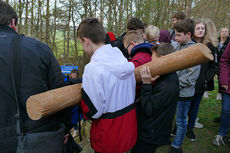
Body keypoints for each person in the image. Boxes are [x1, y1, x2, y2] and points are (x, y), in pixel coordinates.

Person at [0, 1, 70, 153]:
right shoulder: (39, 48)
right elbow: (59, 92)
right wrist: (65, 127)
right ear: (13, 23)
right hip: (38, 138)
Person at [77, 17, 137, 153]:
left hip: (108, 138)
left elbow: (93, 111)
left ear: (86, 41)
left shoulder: (93, 68)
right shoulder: (121, 57)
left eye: (81, 42)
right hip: (128, 131)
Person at [131, 43, 179, 153]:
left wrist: (147, 85)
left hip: (151, 134)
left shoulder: (167, 85)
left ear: (162, 59)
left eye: (152, 60)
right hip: (154, 131)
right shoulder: (169, 76)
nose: (150, 64)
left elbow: (148, 108)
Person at [169, 19, 200, 153]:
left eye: (178, 35)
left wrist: (173, 84)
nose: (175, 38)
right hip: (174, 91)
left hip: (184, 93)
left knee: (181, 121)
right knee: (173, 117)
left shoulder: (194, 51)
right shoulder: (178, 45)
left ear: (188, 34)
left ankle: (177, 146)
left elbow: (191, 77)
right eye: (175, 35)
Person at [186, 18, 218, 141]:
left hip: (200, 84)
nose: (200, 30)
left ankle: (190, 129)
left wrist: (206, 79)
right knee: (184, 107)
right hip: (187, 82)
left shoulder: (210, 46)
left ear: (205, 31)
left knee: (194, 107)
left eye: (202, 28)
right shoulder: (189, 45)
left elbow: (214, 65)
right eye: (198, 28)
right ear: (193, 30)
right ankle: (179, 127)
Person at [123, 30, 153, 98]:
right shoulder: (151, 53)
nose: (127, 52)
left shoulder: (137, 60)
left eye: (126, 49)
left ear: (132, 44)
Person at [212, 42, 230, 147]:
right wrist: (223, 80)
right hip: (228, 84)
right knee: (226, 110)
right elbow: (225, 60)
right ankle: (221, 134)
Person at [214, 27, 230, 122]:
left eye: (226, 32)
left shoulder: (228, 42)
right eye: (222, 31)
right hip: (220, 65)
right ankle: (223, 116)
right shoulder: (217, 41)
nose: (223, 33)